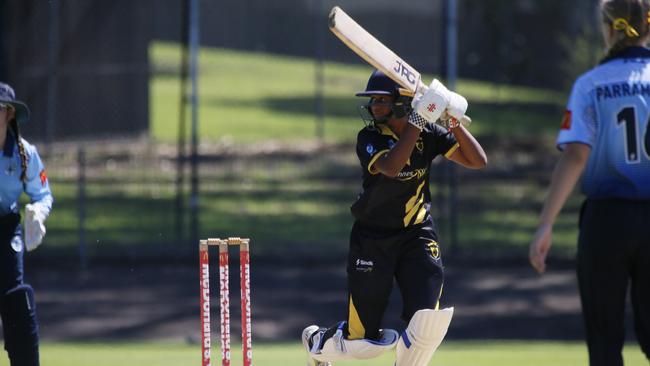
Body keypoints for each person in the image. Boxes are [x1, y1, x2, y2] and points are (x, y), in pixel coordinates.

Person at [301, 70, 487, 366]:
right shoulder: (369, 137)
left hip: (417, 233)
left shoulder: (430, 134)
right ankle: (318, 342)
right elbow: (391, 166)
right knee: (364, 345)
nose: (375, 105)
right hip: (372, 239)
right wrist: (418, 120)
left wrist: (453, 121)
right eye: (373, 99)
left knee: (427, 323)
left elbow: (478, 161)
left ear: (403, 102)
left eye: (383, 100)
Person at [528, 1, 650, 365]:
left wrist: (546, 223)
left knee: (604, 341)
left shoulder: (591, 84)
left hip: (607, 222)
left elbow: (576, 154)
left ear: (608, 28)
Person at [0, 82, 52, 366]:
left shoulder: (23, 154)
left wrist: (37, 214)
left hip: (6, 229)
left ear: (8, 113)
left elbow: (43, 194)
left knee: (16, 300)